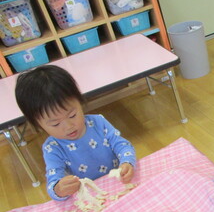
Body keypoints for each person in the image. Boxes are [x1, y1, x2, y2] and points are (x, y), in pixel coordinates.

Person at [15, 65, 136, 201]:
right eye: (55, 124)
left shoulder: (98, 122)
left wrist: (127, 163)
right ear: (38, 125)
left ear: (80, 101)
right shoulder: (53, 147)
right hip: (89, 197)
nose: (68, 126)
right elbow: (53, 182)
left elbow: (122, 145)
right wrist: (59, 189)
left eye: (72, 115)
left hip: (119, 185)